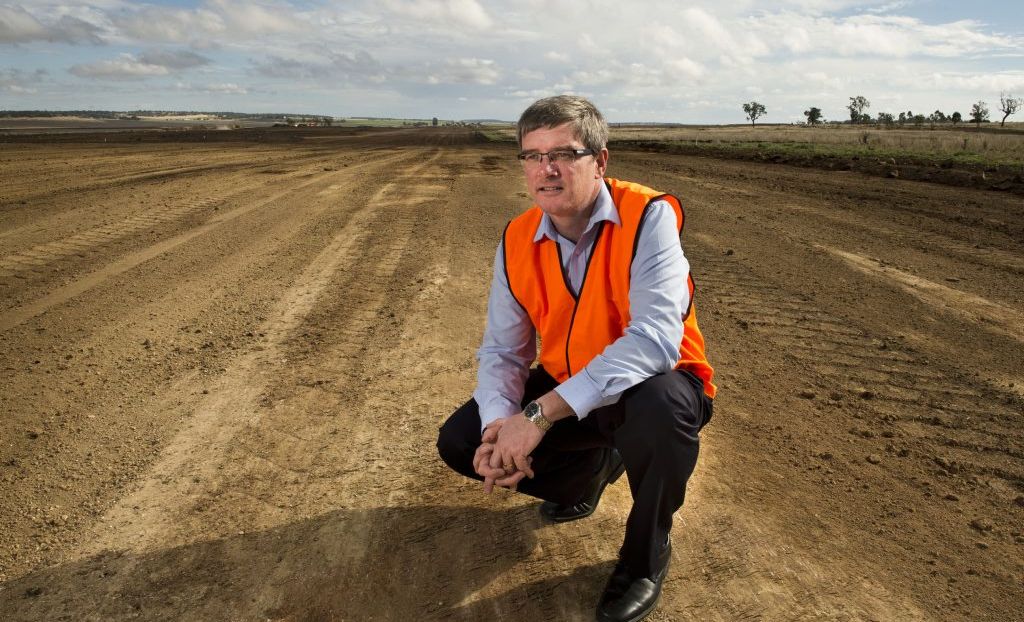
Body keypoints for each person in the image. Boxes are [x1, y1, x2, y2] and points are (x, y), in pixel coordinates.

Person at [436, 95, 716, 622]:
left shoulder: (647, 216)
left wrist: (539, 416)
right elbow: (503, 349)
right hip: (571, 386)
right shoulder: (518, 237)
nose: (547, 169)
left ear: (600, 161)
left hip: (654, 384)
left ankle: (644, 559)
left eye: (564, 153)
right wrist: (502, 425)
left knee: (660, 411)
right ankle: (590, 469)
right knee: (461, 440)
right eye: (533, 156)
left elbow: (656, 339)